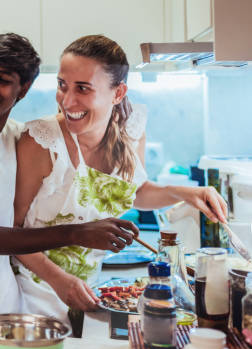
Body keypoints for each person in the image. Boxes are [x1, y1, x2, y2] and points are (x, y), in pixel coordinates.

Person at [0, 33, 139, 328]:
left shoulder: (14, 134)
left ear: (24, 89)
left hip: (5, 302)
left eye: (3, 79)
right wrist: (78, 233)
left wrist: (109, 106)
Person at [13, 35, 228, 324]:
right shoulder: (41, 142)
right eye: (62, 85)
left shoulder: (130, 130)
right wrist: (59, 280)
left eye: (83, 88)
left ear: (118, 93)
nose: (67, 100)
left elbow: (134, 191)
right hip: (29, 297)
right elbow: (10, 232)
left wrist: (186, 193)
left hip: (88, 293)